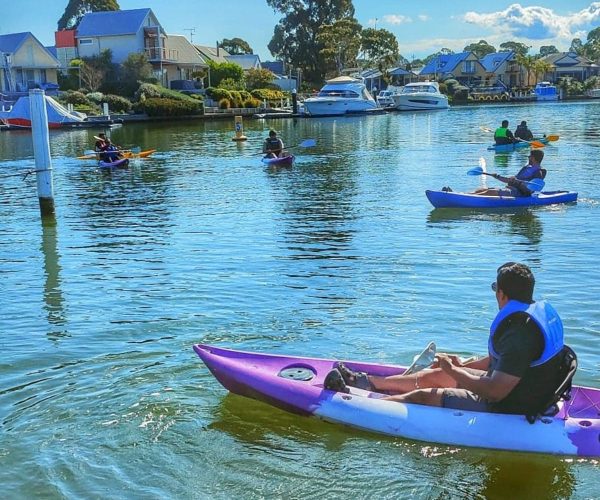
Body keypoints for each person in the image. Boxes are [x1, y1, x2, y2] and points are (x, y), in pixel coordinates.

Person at [324, 262, 575, 418]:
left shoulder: (519, 332)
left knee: (425, 396)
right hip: (525, 387)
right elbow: (501, 361)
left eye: (493, 288)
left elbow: (496, 392)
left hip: (511, 405)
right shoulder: (529, 317)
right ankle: (368, 383)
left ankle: (355, 404)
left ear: (502, 293)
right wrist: (460, 368)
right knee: (437, 376)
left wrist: (454, 370)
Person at [472, 149, 545, 197]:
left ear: (534, 158)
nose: (528, 158)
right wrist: (497, 176)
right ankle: (468, 195)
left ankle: (469, 198)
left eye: (530, 156)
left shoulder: (539, 172)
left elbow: (532, 189)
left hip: (520, 193)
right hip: (511, 189)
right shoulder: (526, 168)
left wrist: (519, 182)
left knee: (491, 192)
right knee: (481, 190)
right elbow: (510, 180)